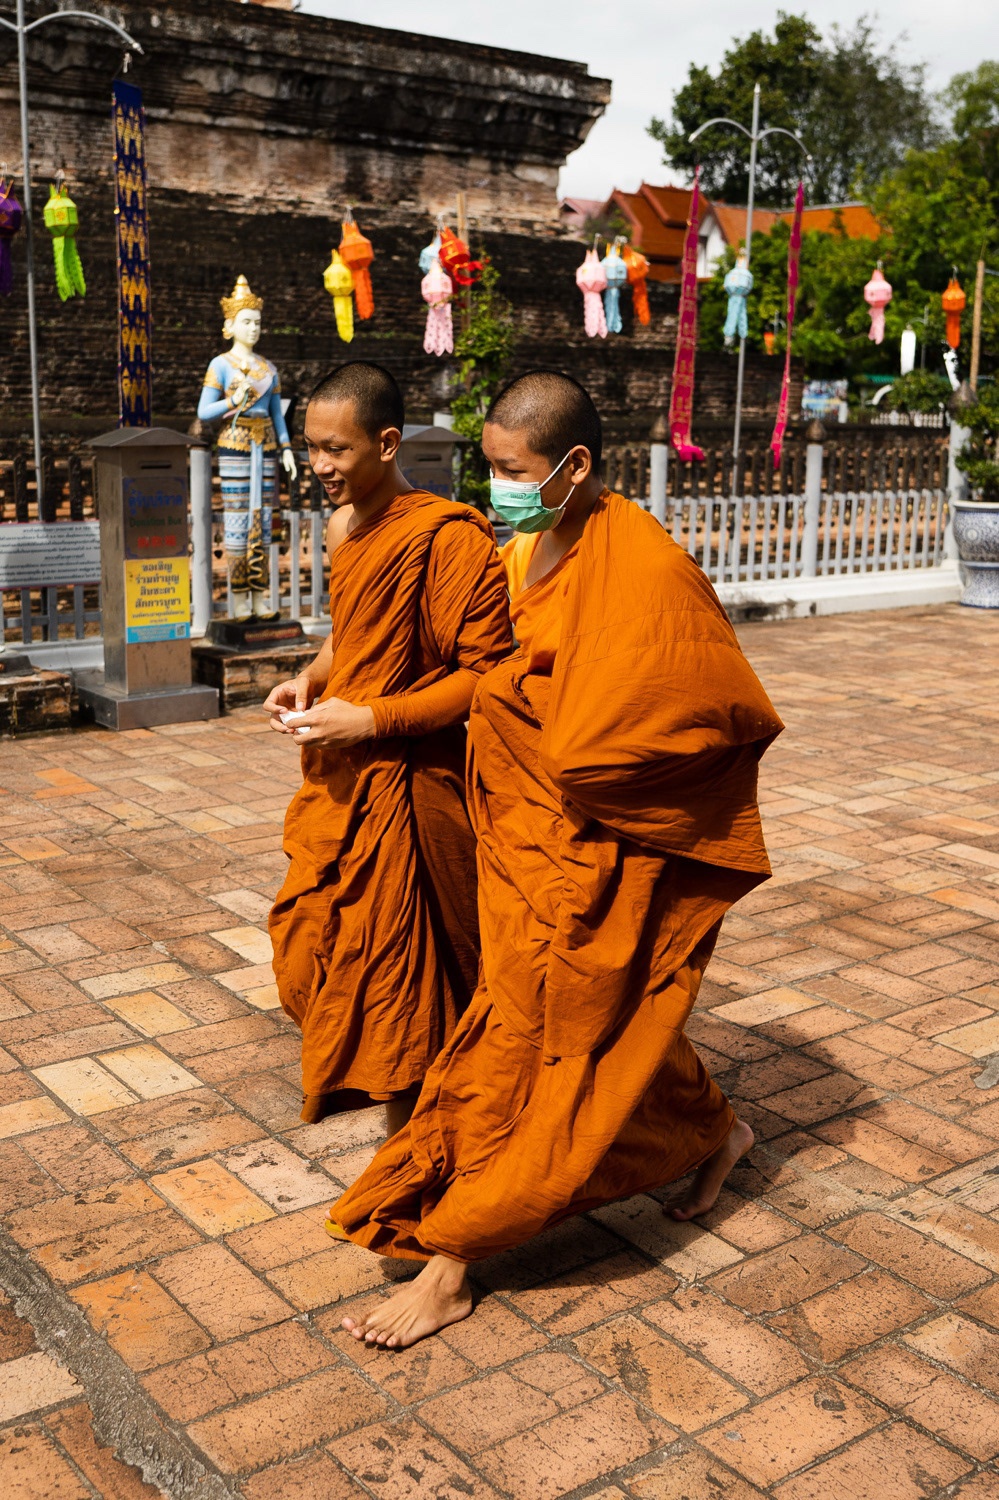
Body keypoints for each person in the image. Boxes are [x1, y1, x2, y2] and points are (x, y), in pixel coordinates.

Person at [329, 369, 783, 1348]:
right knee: (605, 1024)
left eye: (511, 470)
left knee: (532, 1039)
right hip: (515, 839)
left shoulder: (645, 569)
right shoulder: (520, 548)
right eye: (489, 468)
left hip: (592, 851)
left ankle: (453, 1261)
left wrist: (575, 751)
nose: (496, 488)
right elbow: (475, 664)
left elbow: (702, 712)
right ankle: (716, 1129)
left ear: (573, 466)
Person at [267, 363, 512, 1132]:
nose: (319, 465)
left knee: (422, 967)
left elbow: (485, 677)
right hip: (346, 777)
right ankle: (393, 1087)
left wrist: (371, 720)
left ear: (385, 443)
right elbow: (350, 635)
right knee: (311, 937)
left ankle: (429, 1121)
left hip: (419, 778)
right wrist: (308, 678)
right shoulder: (343, 529)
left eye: (335, 449)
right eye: (311, 448)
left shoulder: (448, 536)